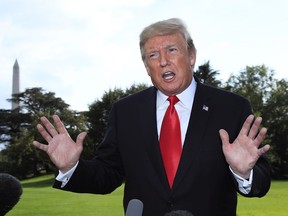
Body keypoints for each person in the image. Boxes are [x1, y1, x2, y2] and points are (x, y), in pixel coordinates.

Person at [33, 18, 271, 216]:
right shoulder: (125, 111)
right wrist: (71, 167)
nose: (163, 60)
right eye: (153, 55)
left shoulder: (231, 107)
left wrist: (243, 173)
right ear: (147, 67)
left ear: (191, 56)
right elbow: (108, 174)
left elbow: (261, 182)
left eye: (172, 50)